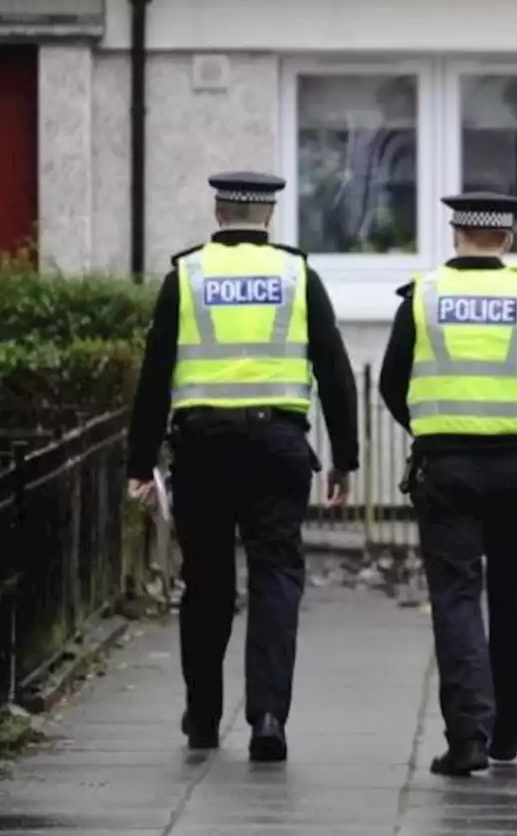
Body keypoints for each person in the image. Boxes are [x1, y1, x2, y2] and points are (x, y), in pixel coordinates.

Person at [125, 171, 359, 763]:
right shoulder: (297, 275)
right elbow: (334, 370)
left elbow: (154, 376)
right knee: (276, 575)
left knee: (205, 583)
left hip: (202, 449)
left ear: (218, 211)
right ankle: (269, 716)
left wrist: (139, 462)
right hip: (277, 447)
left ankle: (203, 717)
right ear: (268, 217)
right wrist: (345, 459)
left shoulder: (188, 275)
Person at [378, 191, 517, 776]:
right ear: (508, 239)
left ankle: (467, 736)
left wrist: (436, 424)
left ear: (456, 236)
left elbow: (392, 384)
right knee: (514, 598)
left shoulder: (423, 296)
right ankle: (508, 726)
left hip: (445, 470)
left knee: (455, 598)